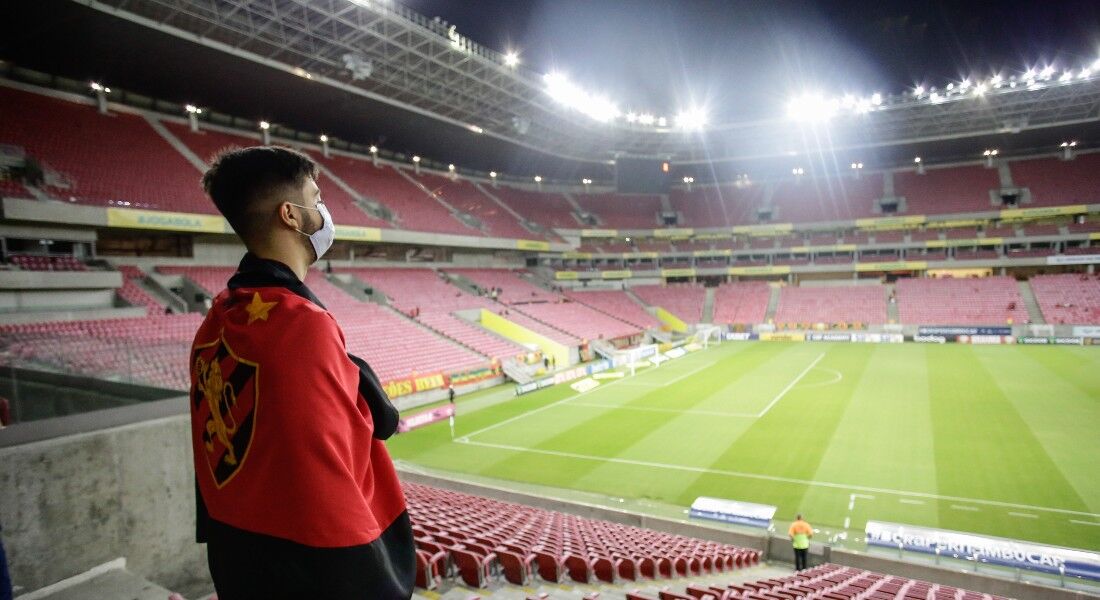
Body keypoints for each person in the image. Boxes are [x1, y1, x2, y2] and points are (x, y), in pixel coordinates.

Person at [191, 147, 414, 599]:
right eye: (317, 198)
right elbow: (328, 478)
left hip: (240, 563)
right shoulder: (301, 325)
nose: (324, 211)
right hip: (308, 574)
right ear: (291, 216)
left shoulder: (215, 323)